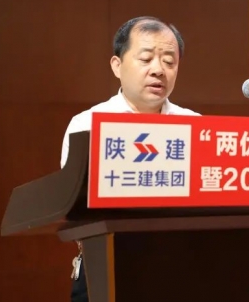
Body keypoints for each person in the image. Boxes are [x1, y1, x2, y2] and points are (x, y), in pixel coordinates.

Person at [60, 16, 200, 302]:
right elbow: (73, 204)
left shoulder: (195, 126)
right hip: (106, 267)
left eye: (169, 62)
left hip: (179, 267)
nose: (158, 70)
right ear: (117, 65)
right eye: (146, 59)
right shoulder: (87, 124)